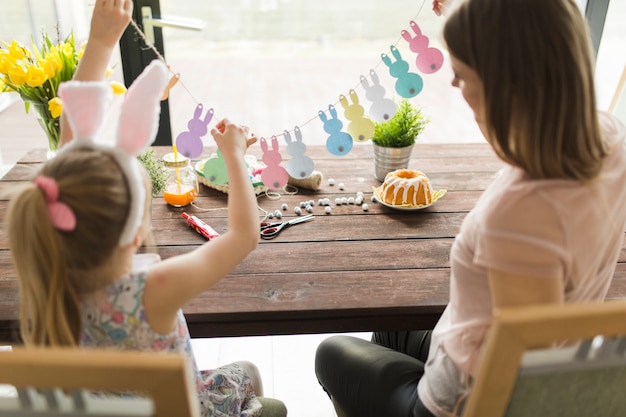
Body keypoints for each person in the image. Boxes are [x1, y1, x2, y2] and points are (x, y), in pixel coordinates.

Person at [314, 0, 626, 416]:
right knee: (391, 327)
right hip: (486, 354)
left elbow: (525, 367)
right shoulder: (611, 140)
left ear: (508, 85)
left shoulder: (518, 215)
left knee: (330, 352)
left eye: (462, 74)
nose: (454, 85)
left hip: (462, 403)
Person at [6, 1, 285, 416]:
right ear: (135, 233)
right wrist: (235, 155)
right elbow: (245, 237)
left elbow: (70, 148)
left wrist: (100, 42)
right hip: (182, 406)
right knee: (252, 377)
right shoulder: (151, 292)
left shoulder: (47, 282)